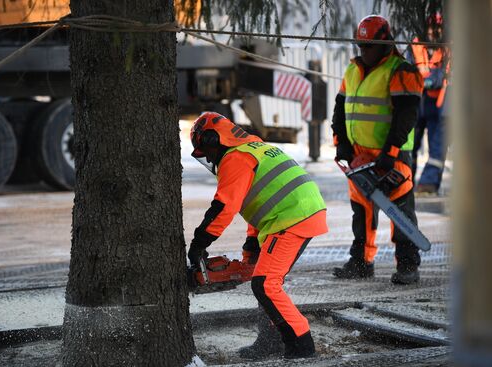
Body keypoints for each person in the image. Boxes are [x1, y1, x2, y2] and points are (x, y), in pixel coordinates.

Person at [187, 111, 328, 359]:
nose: (208, 158)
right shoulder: (255, 148)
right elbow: (261, 202)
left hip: (292, 217)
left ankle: (302, 348)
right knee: (263, 281)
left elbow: (223, 207)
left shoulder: (235, 158)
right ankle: (270, 341)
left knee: (265, 284)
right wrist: (251, 247)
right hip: (294, 213)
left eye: (206, 151)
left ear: (213, 139)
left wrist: (199, 244)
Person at [331, 15, 424, 285]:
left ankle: (408, 264)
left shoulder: (400, 70)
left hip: (391, 156)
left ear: (385, 44)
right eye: (361, 46)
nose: (365, 51)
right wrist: (342, 144)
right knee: (361, 209)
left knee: (400, 210)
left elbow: (406, 115)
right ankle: (361, 262)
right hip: (359, 155)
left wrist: (390, 152)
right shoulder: (352, 71)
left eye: (369, 46)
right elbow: (340, 109)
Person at [408, 13, 450, 195]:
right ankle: (406, 182)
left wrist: (433, 80)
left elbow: (447, 72)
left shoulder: (449, 48)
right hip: (418, 100)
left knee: (437, 146)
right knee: (410, 144)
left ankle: (428, 184)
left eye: (437, 29)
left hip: (440, 102)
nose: (434, 33)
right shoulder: (416, 45)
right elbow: (409, 68)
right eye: (432, 28)